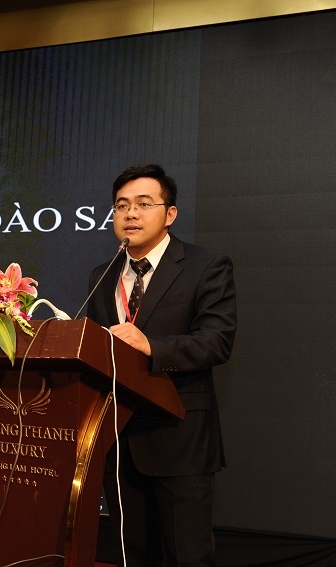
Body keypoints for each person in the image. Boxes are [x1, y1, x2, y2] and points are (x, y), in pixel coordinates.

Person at [86, 164, 237, 567]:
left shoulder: (205, 266)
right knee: (132, 554)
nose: (130, 214)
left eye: (143, 204)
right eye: (121, 206)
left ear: (170, 214)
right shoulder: (102, 276)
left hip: (179, 438)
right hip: (118, 438)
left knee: (187, 556)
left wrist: (150, 345)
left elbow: (216, 341)